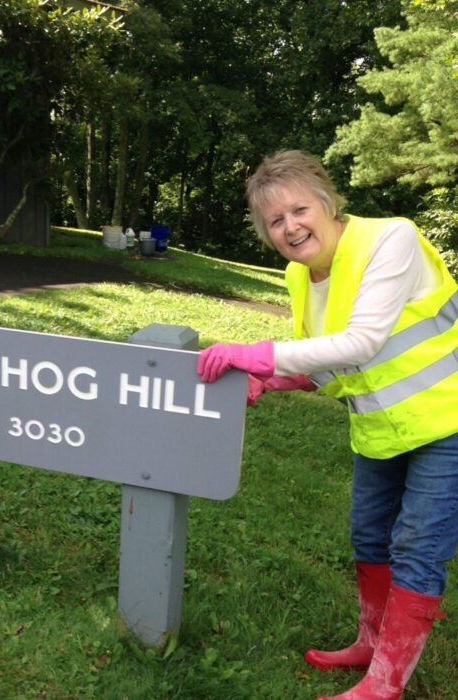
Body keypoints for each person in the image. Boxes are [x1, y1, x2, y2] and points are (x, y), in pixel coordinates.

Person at [197, 150, 457, 700]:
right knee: (369, 536)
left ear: (328, 201)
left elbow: (363, 340)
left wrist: (258, 354)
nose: (291, 227)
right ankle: (370, 643)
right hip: (385, 428)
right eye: (275, 220)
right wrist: (271, 380)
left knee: (416, 546)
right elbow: (331, 364)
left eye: (299, 209)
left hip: (449, 423)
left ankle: (384, 685)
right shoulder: (301, 276)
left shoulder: (392, 239)